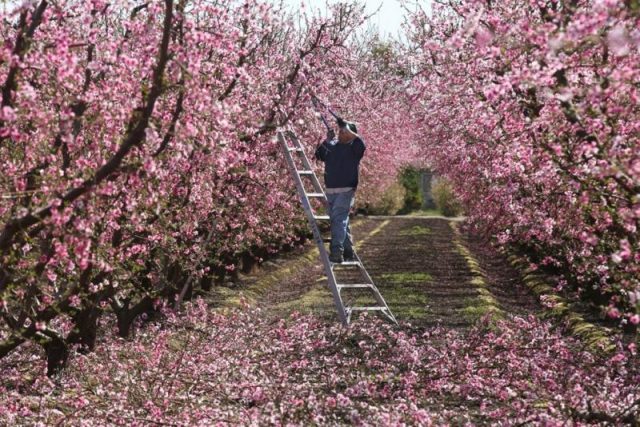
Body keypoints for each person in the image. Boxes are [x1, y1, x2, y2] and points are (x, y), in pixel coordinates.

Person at [314, 119, 365, 263]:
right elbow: (319, 155)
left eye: (345, 132)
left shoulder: (355, 147)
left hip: (346, 190)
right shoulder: (332, 146)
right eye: (340, 131)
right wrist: (327, 139)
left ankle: (337, 251)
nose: (341, 133)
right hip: (331, 189)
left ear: (351, 134)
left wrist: (348, 129)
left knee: (339, 219)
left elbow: (359, 141)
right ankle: (348, 250)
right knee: (339, 220)